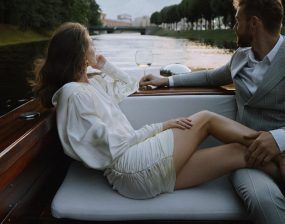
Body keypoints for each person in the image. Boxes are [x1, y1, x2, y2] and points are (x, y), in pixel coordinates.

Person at [32, 22, 283, 201]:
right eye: (90, 44)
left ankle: (280, 163)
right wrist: (160, 127)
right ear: (78, 53)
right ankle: (276, 146)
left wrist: (104, 66)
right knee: (205, 118)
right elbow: (112, 147)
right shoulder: (73, 94)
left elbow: (129, 85)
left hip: (138, 170)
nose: (94, 48)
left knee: (240, 153)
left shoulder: (93, 83)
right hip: (130, 167)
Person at [140, 0, 285, 223]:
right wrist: (165, 81)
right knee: (263, 200)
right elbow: (209, 78)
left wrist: (278, 139)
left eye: (237, 21)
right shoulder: (240, 57)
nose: (233, 27)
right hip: (248, 158)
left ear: (254, 23)